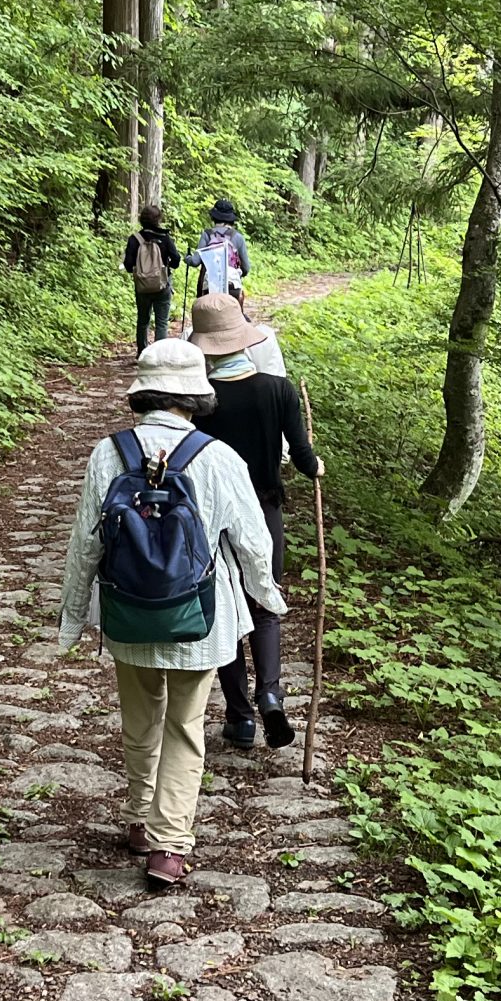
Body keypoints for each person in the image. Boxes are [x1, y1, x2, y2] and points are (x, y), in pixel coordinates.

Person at [58, 339, 286, 889]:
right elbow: (254, 543)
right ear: (194, 397)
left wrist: (71, 619)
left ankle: (139, 817)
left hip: (129, 612)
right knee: (186, 726)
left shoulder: (107, 454)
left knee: (140, 719)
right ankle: (169, 844)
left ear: (143, 394)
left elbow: (85, 544)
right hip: (200, 618)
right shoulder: (218, 457)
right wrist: (269, 597)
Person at [187, 296, 321, 750]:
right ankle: (271, 694)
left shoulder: (199, 402)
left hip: (213, 519)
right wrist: (316, 466)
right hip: (265, 510)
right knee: (265, 603)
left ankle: (240, 717)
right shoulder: (278, 389)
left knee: (225, 610)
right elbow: (302, 458)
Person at [123, 204, 182, 350]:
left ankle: (142, 352)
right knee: (162, 322)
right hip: (162, 285)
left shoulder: (134, 239)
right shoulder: (165, 238)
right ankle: (159, 353)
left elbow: (129, 265)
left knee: (143, 320)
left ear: (141, 220)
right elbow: (176, 260)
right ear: (158, 220)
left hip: (142, 286)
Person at [192, 198, 250, 309]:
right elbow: (246, 268)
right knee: (236, 318)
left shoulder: (207, 235)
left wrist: (188, 258)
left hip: (209, 285)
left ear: (214, 217)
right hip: (232, 285)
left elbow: (195, 261)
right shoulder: (237, 237)